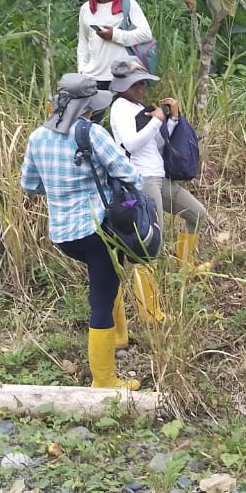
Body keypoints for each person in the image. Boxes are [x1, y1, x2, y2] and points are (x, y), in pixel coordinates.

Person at [21, 73, 144, 390]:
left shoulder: (37, 137)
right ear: (88, 106)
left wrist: (60, 188)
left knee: (108, 282)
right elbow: (129, 175)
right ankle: (104, 380)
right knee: (101, 298)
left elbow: (30, 185)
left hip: (63, 236)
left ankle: (119, 338)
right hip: (97, 230)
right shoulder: (92, 133)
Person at [107, 58, 210, 332]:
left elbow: (158, 143)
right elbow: (130, 144)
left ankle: (185, 269)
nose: (141, 88)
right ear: (122, 87)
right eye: (135, 84)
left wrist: (172, 120)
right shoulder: (120, 107)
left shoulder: (139, 107)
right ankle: (150, 313)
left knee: (197, 214)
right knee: (150, 245)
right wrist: (156, 122)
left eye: (143, 83)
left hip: (159, 176)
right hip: (141, 178)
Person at [77, 0, 154, 87]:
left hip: (121, 76)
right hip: (91, 77)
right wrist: (82, 69)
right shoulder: (86, 9)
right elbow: (83, 43)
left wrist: (114, 35)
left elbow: (146, 34)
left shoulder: (128, 5)